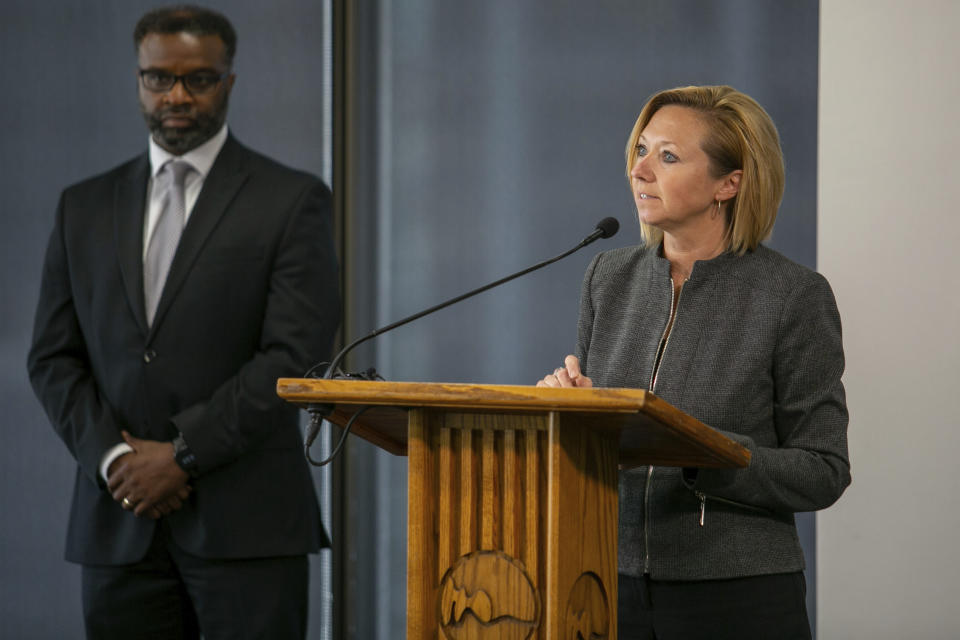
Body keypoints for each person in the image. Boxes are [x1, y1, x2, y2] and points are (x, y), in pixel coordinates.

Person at [27, 6, 339, 639]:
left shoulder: (291, 199)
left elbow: (293, 355)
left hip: (247, 529)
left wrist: (181, 455)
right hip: (118, 526)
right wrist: (116, 459)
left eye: (198, 79)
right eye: (157, 78)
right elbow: (53, 357)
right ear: (138, 80)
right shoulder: (83, 206)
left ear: (228, 81)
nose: (175, 95)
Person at [537, 85, 850, 639]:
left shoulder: (792, 295)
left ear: (728, 184)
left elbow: (823, 471)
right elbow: (608, 442)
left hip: (738, 593)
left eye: (669, 156)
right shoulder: (608, 277)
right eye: (641, 149)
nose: (641, 170)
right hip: (607, 582)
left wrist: (707, 453)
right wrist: (573, 410)